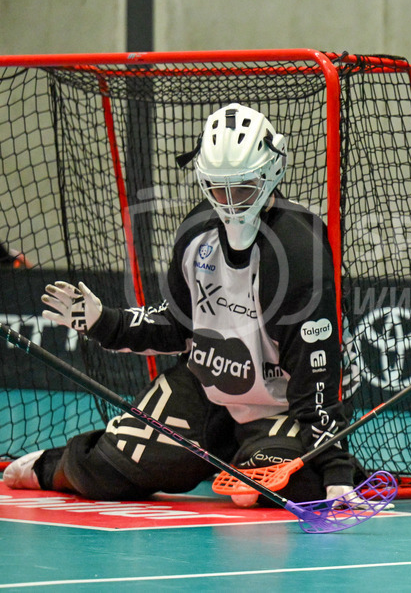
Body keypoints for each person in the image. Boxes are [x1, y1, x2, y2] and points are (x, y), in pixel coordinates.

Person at [3, 103, 362, 507]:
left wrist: (336, 472)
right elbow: (177, 323)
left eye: (242, 188)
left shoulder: (299, 253)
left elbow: (315, 377)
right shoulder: (196, 235)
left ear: (271, 173)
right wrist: (106, 322)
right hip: (209, 391)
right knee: (109, 468)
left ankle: (267, 459)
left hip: (286, 404)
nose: (230, 203)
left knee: (274, 490)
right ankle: (49, 465)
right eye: (217, 188)